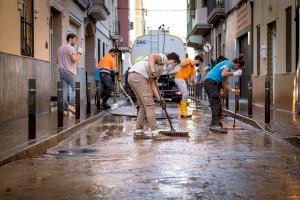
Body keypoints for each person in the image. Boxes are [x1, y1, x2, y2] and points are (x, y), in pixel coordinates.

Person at [128, 52, 181, 139]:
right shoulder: (163, 58)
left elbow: (153, 85)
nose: (173, 67)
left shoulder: (161, 69)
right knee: (150, 105)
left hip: (133, 77)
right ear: (172, 60)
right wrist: (152, 71)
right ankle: (155, 132)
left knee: (143, 105)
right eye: (174, 64)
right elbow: (151, 56)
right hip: (139, 76)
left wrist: (160, 99)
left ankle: (138, 132)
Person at [204, 54, 244, 133]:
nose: (237, 69)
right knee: (215, 102)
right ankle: (215, 124)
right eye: (238, 68)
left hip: (210, 82)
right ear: (237, 64)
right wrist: (235, 74)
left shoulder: (228, 68)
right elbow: (223, 74)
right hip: (210, 82)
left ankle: (215, 123)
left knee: (217, 103)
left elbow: (224, 83)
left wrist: (232, 90)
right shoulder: (228, 63)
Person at [57, 33, 82, 116]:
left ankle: (64, 109)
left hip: (61, 70)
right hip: (69, 71)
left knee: (65, 90)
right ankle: (71, 105)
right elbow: (74, 60)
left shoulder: (60, 48)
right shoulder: (70, 48)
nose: (75, 42)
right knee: (76, 88)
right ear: (70, 39)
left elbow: (57, 60)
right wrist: (79, 53)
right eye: (75, 40)